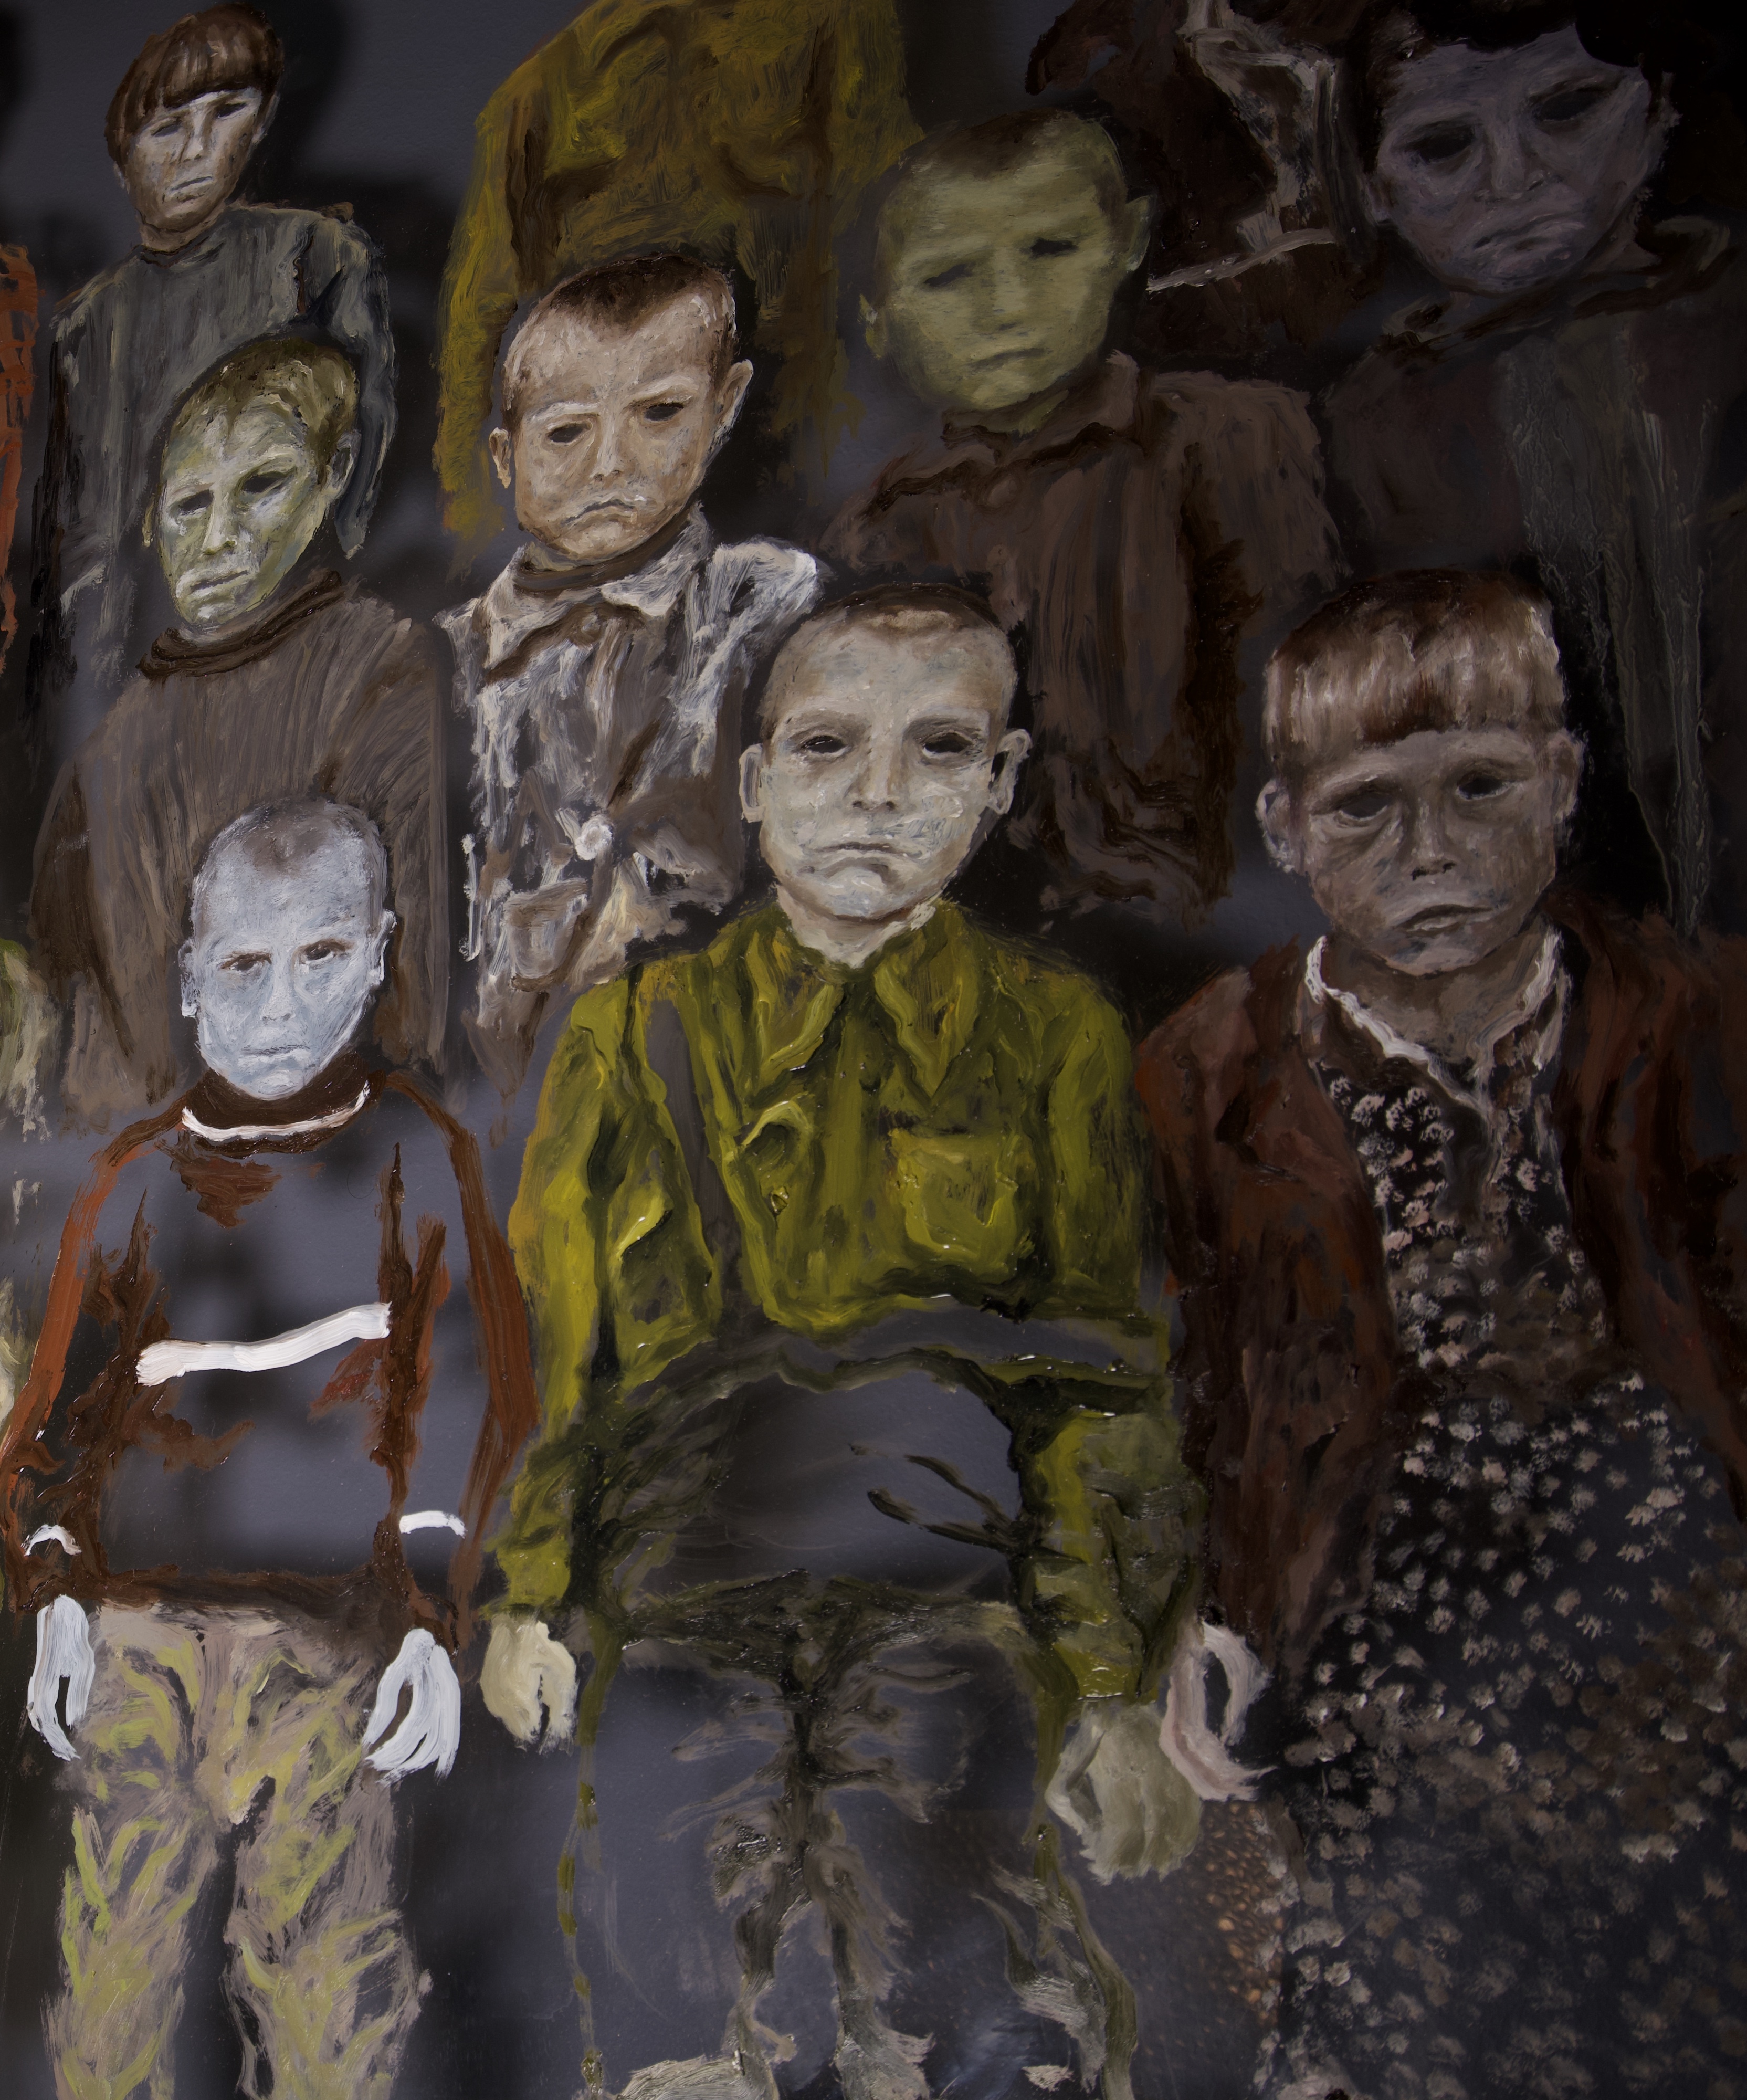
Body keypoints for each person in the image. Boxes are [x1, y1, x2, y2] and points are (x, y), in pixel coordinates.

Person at [484, 586, 1234, 2100]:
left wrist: (1108, 1676)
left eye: (938, 748)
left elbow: (1099, 1372)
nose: (878, 794)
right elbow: (557, 1349)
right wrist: (530, 1593)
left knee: (969, 1969)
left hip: (948, 1575)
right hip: (683, 1579)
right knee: (674, 1966)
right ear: (757, 784)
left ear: (1000, 784)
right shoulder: (634, 1033)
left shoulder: (1051, 1036)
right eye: (829, 748)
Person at [1136, 570, 1747, 2096]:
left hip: (1665, 1590)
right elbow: (1182, 1376)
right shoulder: (1208, 1072)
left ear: (1561, 781)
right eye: (1363, 808)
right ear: (1284, 830)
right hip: (1363, 1600)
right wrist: (1201, 1607)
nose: (1429, 850)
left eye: (1479, 786)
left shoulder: (1687, 1020)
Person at [1, 799, 539, 2100]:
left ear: (376, 956)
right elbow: (57, 1419)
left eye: (321, 955)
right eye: (245, 964)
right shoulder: (135, 1178)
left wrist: (432, 1618)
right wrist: (56, 1590)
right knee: (114, 1954)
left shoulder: (416, 1152)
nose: (281, 1005)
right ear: (192, 978)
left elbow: (466, 1395)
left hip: (333, 1635)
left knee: (321, 1964)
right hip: (139, 1634)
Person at [825, 109, 1340, 929]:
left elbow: (1299, 717)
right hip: (970, 930)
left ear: (1127, 242)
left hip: (1211, 915)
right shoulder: (876, 526)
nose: (1007, 308)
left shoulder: (1231, 441)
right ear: (877, 318)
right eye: (949, 276)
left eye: (1051, 250)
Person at [1322, 0, 1747, 936]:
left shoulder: (1725, 323)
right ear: (1371, 184)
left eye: (1568, 109)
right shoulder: (1374, 421)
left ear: (1658, 106)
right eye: (1442, 148)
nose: (1513, 181)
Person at [33, 336, 446, 1130]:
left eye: (262, 485)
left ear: (333, 474)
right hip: (148, 1149)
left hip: (341, 1136)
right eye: (191, 504)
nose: (218, 537)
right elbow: (75, 997)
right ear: (151, 518)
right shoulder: (113, 744)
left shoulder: (377, 664)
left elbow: (409, 992)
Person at [439, 254, 820, 1098]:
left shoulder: (756, 609)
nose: (611, 464)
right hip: (488, 1083)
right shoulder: (448, 658)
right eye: (566, 433)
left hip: (700, 1064)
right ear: (504, 456)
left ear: (725, 407)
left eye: (660, 413)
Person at [28, 4, 396, 752]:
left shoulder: (317, 255)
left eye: (229, 112)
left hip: (284, 609)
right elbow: (84, 517)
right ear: (122, 155)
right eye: (167, 128)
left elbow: (365, 464)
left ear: (261, 125)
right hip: (140, 638)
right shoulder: (90, 323)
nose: (197, 150)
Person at [434, 0, 918, 552]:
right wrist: (469, 529)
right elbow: (478, 310)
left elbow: (880, 219)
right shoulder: (542, 91)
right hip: (603, 399)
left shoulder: (828, 29)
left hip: (792, 417)